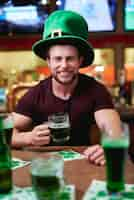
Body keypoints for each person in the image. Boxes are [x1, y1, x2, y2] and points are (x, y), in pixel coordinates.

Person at [12, 10, 121, 166]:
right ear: (48, 62)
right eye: (57, 59)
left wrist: (109, 147)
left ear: (80, 61)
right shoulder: (36, 94)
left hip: (85, 165)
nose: (64, 66)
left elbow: (113, 130)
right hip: (45, 167)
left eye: (70, 59)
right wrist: (28, 138)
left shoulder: (95, 90)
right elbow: (5, 133)